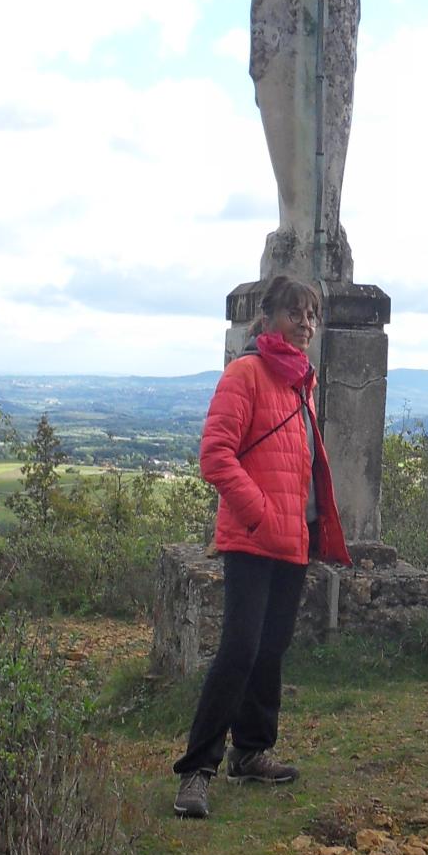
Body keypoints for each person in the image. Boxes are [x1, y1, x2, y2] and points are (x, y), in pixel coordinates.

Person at [172, 274, 350, 818]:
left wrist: (301, 523)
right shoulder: (245, 373)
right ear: (269, 318)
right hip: (253, 537)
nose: (307, 324)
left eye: (312, 316)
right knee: (239, 649)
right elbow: (216, 456)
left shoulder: (301, 382)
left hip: (292, 538)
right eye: (297, 314)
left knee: (270, 649)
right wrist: (260, 514)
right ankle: (197, 769)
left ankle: (251, 752)